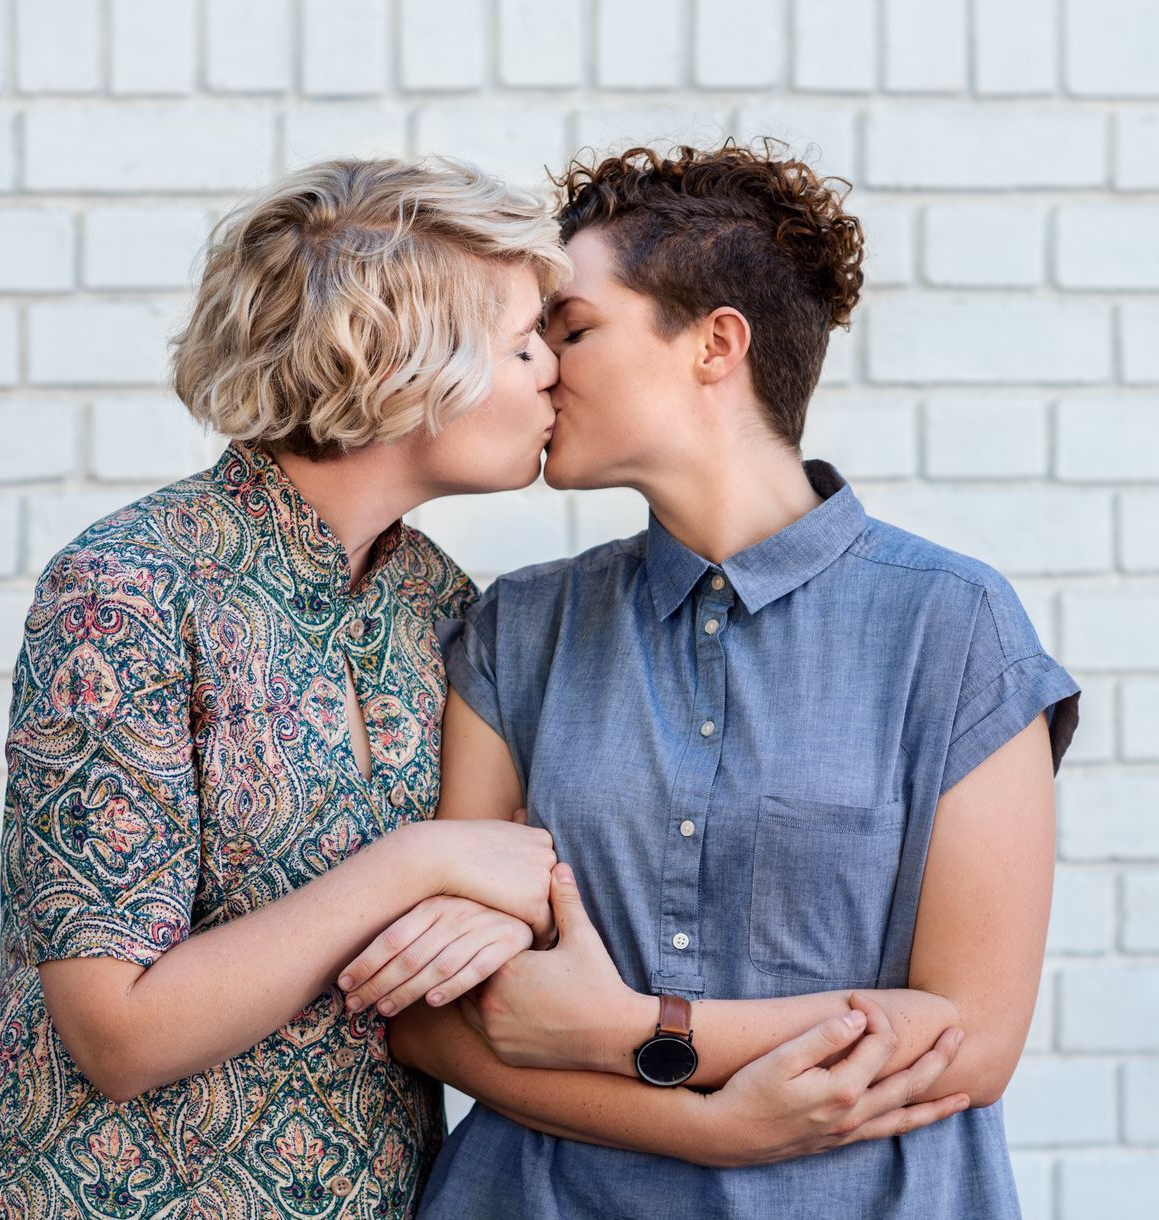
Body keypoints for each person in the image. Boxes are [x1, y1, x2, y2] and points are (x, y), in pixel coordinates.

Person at [358, 143, 1080, 1218]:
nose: (540, 367)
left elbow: (965, 1041)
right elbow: (435, 1015)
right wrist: (707, 1118)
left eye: (573, 328)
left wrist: (623, 1028)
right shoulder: (518, 628)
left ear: (714, 343)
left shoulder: (953, 627)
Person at [0, 156, 569, 1218]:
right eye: (520, 345)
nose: (551, 370)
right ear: (403, 370)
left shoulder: (440, 602)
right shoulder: (128, 589)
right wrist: (414, 861)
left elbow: (504, 881)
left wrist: (504, 910)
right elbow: (120, 1032)